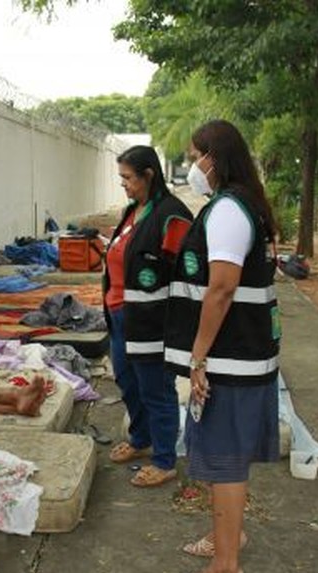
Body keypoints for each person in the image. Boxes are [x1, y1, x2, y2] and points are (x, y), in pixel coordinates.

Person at [164, 120, 281, 573]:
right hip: (242, 354)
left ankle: (224, 572)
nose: (193, 166)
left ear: (215, 157)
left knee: (226, 462)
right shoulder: (239, 203)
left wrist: (198, 356)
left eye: (196, 156)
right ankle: (227, 537)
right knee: (220, 456)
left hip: (230, 359)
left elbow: (222, 287)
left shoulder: (229, 209)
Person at [103, 145, 193, 487]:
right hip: (120, 315)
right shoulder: (133, 211)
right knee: (128, 381)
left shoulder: (172, 215)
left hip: (151, 320)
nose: (123, 184)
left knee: (156, 388)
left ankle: (165, 459)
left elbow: (183, 272)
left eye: (127, 178)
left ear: (148, 175)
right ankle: (141, 440)